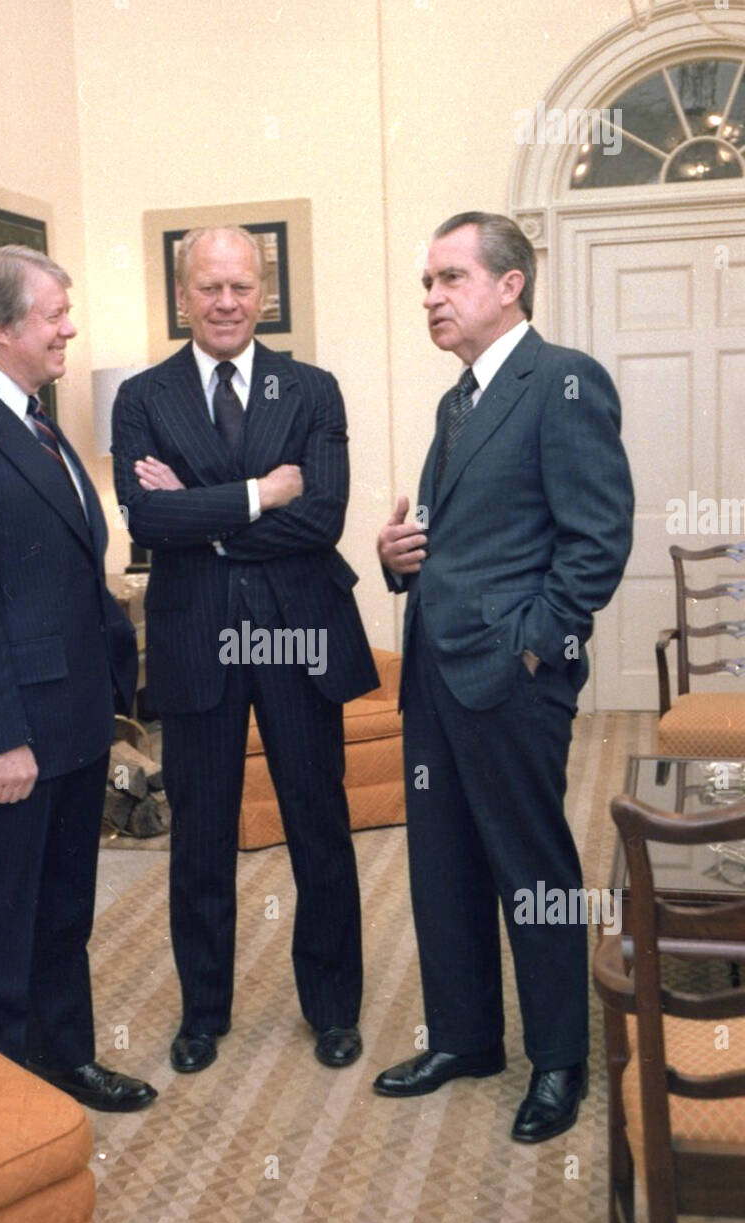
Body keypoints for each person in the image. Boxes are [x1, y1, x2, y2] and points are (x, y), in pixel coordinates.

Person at [374, 212, 633, 1142]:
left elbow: (598, 540)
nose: (433, 299)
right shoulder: (459, 401)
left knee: (533, 870)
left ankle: (559, 1060)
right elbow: (456, 542)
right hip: (436, 677)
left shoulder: (563, 382)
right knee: (443, 866)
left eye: (449, 279)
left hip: (513, 678)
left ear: (509, 284)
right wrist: (399, 558)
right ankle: (466, 1038)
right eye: (427, 285)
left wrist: (535, 645)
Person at [112, 225, 378, 1073]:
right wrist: (261, 495)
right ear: (182, 296)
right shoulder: (143, 399)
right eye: (209, 288)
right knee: (199, 838)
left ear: (263, 293)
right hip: (195, 642)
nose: (225, 303)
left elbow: (325, 515)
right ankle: (203, 1015)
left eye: (241, 287)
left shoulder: (313, 389)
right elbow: (148, 523)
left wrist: (207, 515)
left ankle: (333, 1008)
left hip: (299, 633)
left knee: (319, 830)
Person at [0, 245, 156, 1113]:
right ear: (2, 325)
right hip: (16, 737)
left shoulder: (33, 423)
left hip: (74, 723)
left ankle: (63, 1062)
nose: (69, 328)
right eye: (54, 315)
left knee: (61, 913)